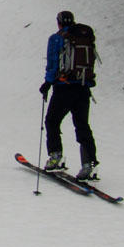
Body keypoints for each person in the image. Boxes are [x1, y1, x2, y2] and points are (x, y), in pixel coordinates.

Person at [40, 10, 98, 180]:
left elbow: (52, 63)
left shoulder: (57, 38)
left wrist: (47, 84)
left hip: (64, 88)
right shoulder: (84, 37)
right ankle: (89, 164)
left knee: (52, 121)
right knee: (82, 125)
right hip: (83, 88)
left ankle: (55, 156)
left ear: (58, 22)